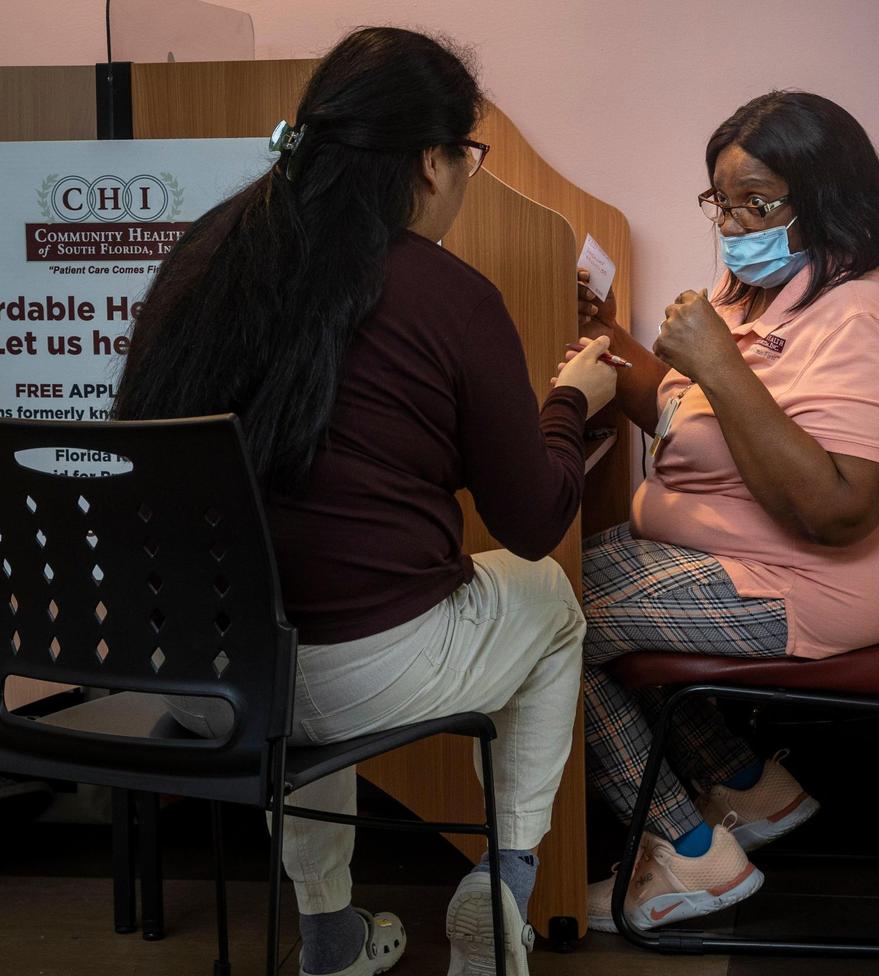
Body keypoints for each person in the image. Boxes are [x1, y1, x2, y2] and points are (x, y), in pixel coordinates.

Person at [113, 26, 617, 976]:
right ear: (429, 162)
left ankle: (330, 934)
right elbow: (532, 517)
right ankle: (502, 889)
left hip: (196, 677)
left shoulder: (205, 255)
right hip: (354, 677)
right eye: (469, 156)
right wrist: (570, 404)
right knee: (548, 600)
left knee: (291, 619)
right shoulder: (449, 294)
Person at [566, 91, 879, 933]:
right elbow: (687, 419)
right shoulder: (764, 294)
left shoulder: (865, 316)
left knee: (542, 622)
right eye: (722, 202)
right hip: (740, 552)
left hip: (812, 578)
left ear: (826, 197)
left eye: (758, 203)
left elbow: (841, 510)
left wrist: (718, 365)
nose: (734, 225)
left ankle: (689, 850)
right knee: (551, 581)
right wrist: (611, 338)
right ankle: (745, 785)